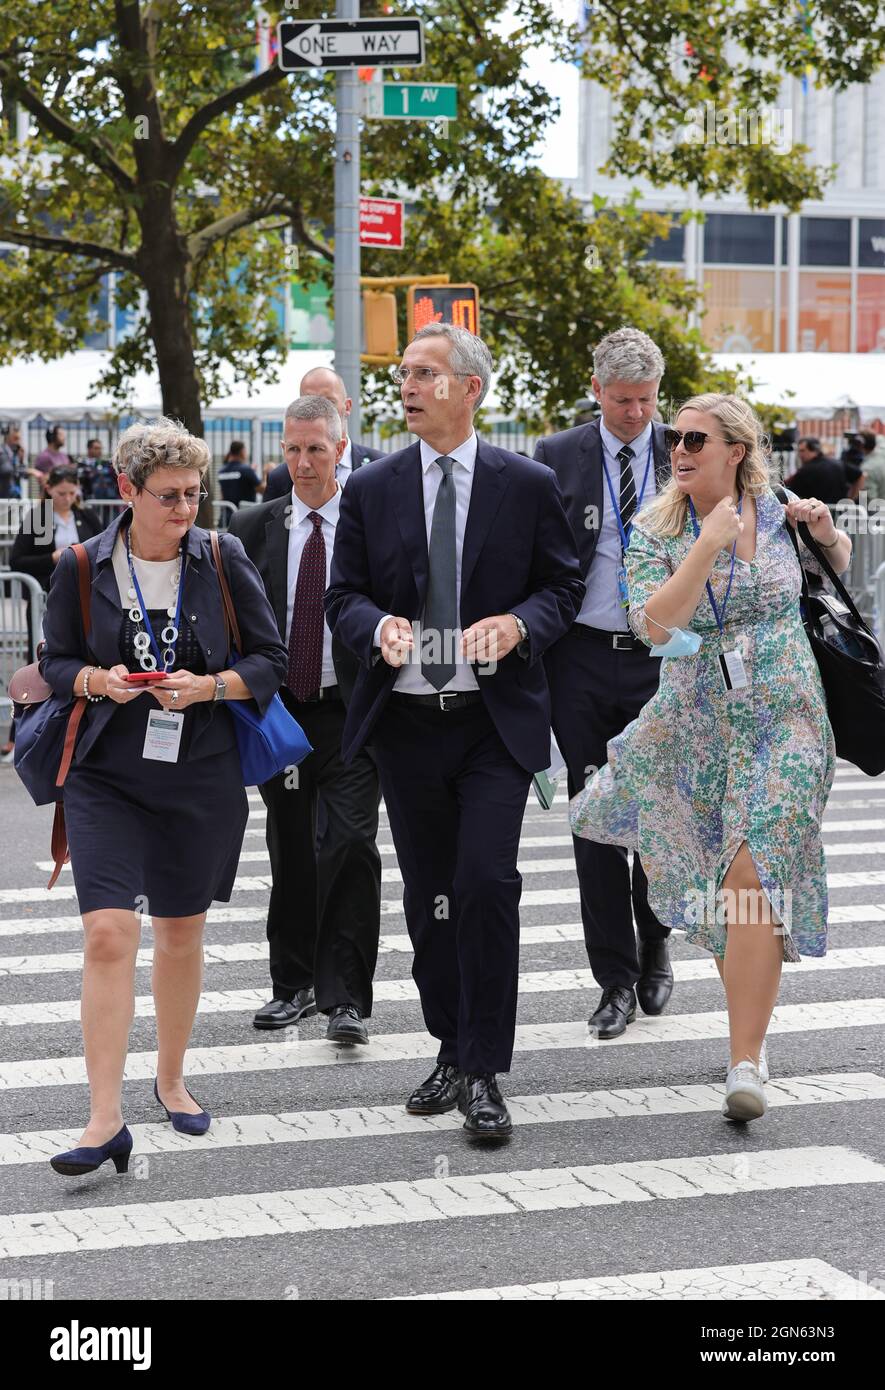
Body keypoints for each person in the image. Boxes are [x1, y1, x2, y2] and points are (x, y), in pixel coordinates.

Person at [326, 324, 584, 1141]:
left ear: (469, 389)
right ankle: (448, 1042)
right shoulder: (370, 487)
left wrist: (516, 624)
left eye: (425, 373)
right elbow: (342, 598)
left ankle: (482, 1071)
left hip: (490, 726)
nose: (406, 386)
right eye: (403, 373)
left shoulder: (527, 483)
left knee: (483, 885)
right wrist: (378, 629)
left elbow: (562, 586)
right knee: (429, 899)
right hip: (405, 724)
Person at [569, 393, 852, 1122]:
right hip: (697, 728)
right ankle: (748, 1039)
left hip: (788, 716)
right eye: (675, 437)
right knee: (727, 891)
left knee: (752, 866)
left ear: (737, 449)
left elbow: (834, 571)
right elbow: (654, 626)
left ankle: (744, 1061)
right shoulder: (655, 527)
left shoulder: (780, 502)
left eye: (696, 437)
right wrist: (704, 544)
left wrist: (825, 529)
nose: (680, 449)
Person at [34, 418, 288, 1178]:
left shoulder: (221, 556)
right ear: (128, 491)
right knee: (109, 933)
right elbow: (55, 664)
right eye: (170, 496)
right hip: (106, 773)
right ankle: (103, 1117)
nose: (186, 509)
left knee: (180, 933)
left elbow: (270, 661)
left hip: (199, 769)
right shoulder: (81, 566)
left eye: (194, 494)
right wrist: (96, 680)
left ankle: (170, 1078)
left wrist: (210, 686)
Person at [229, 397, 382, 1043]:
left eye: (315, 448)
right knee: (290, 848)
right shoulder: (253, 525)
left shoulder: (367, 521)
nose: (302, 461)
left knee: (347, 844)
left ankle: (343, 997)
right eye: (291, 449)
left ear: (340, 450)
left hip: (351, 712)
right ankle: (289, 985)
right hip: (282, 716)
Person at [536, 327, 674, 1040]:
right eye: (621, 401)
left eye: (645, 401)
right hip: (581, 658)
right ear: (595, 390)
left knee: (652, 812)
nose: (634, 415)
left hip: (659, 657)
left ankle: (654, 939)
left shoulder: (683, 447)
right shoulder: (556, 456)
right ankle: (612, 978)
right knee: (593, 817)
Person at [264, 366, 382, 500]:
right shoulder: (280, 478)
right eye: (308, 402)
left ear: (347, 406)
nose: (318, 410)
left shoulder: (380, 468)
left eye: (329, 402)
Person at [10, 465, 104, 590]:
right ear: (49, 489)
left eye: (72, 493)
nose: (67, 499)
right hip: (46, 593)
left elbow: (103, 550)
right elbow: (16, 561)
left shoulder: (87, 515)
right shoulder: (37, 517)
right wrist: (52, 558)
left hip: (84, 591)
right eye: (61, 493)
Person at [784, 437, 846, 504]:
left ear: (813, 450)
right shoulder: (838, 463)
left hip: (817, 511)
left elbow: (787, 487)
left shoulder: (807, 470)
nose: (800, 454)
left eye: (802, 450)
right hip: (839, 510)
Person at [217, 440, 264, 507]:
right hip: (245, 514)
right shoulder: (246, 470)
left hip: (227, 514)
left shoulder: (221, 471)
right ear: (242, 452)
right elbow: (262, 490)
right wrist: (266, 474)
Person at [0, 425, 28, 499]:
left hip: (15, 496)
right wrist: (29, 471)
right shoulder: (2, 451)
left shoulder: (15, 453)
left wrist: (21, 461)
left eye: (19, 439)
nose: (18, 442)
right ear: (7, 437)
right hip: (3, 497)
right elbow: (6, 470)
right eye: (16, 438)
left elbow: (24, 476)